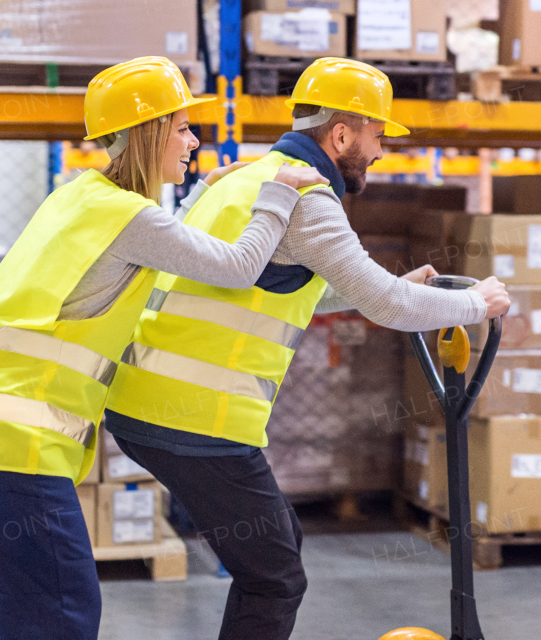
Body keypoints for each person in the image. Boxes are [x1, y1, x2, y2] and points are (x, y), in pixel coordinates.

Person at [0, 57, 328, 640]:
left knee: (3, 619)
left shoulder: (80, 198)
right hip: (11, 438)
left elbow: (160, 267)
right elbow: (238, 267)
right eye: (182, 127)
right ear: (148, 130)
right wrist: (276, 195)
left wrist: (201, 194)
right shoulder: (130, 218)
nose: (194, 139)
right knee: (59, 619)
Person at [103, 57, 512, 640]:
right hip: (196, 416)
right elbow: (388, 307)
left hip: (148, 405)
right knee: (275, 576)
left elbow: (264, 286)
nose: (380, 150)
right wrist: (479, 304)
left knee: (274, 550)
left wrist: (388, 289)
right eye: (375, 135)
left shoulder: (247, 179)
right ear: (341, 134)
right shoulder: (308, 196)